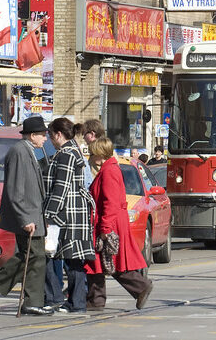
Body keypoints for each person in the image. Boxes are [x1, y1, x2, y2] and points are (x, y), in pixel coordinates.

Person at [0, 116, 53, 316]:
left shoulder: (28, 151)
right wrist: (25, 218)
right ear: (32, 135)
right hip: (27, 216)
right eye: (42, 135)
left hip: (33, 215)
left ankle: (27, 300)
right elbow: (15, 190)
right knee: (33, 256)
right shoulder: (20, 152)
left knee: (31, 256)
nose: (45, 139)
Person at [85, 137, 153, 311]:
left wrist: (105, 228)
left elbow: (111, 202)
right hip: (111, 221)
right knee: (102, 261)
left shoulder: (109, 171)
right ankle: (96, 299)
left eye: (92, 153)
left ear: (99, 155)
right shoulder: (110, 169)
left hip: (110, 223)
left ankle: (139, 286)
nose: (90, 157)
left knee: (107, 260)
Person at [44, 117, 96, 314]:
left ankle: (72, 301)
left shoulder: (66, 154)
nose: (49, 139)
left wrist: (49, 215)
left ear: (58, 135)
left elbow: (61, 187)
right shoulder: (72, 151)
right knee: (73, 259)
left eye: (50, 135)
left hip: (69, 214)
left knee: (70, 258)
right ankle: (73, 301)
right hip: (73, 212)